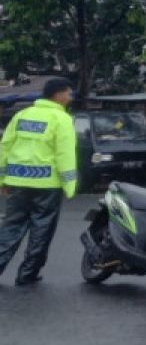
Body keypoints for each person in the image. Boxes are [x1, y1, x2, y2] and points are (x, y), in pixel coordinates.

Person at [0, 77, 79, 285]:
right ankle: (27, 274)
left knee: (10, 227)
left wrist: (2, 179)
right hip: (46, 185)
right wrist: (70, 186)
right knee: (41, 230)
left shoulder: (22, 115)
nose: (71, 97)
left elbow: (5, 146)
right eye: (69, 93)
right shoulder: (61, 119)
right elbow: (65, 155)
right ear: (58, 95)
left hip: (16, 181)